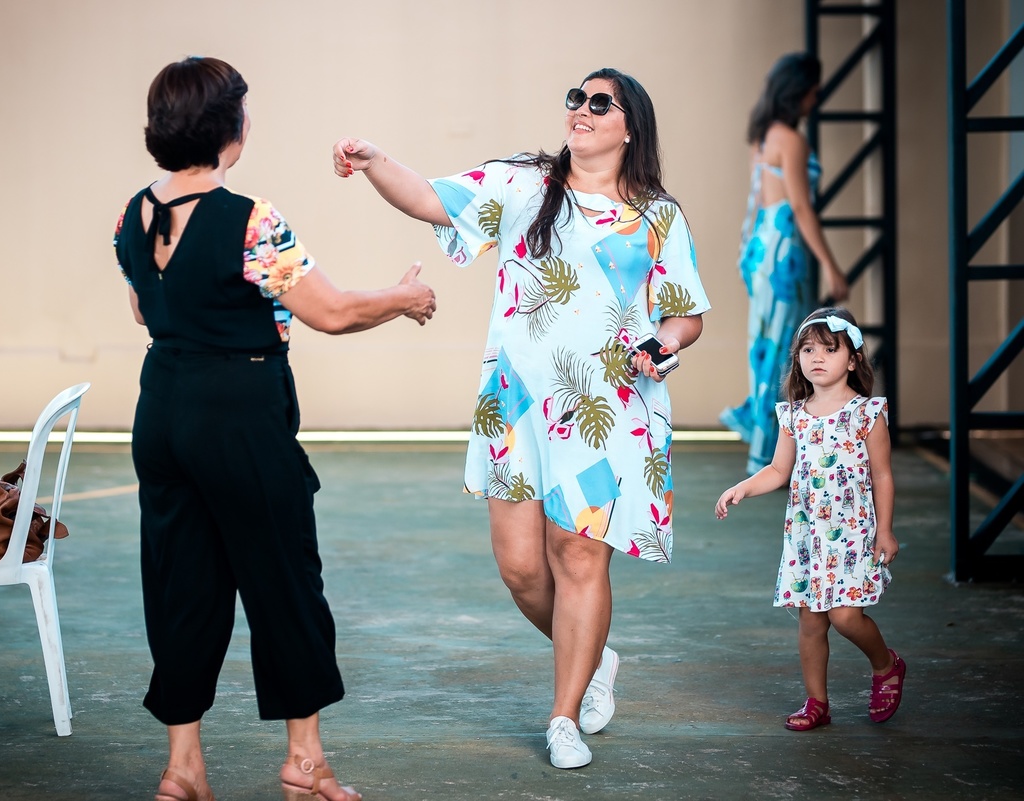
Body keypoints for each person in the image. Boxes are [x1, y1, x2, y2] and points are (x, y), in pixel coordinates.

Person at [332, 68, 710, 769]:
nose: (583, 111)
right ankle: (595, 656)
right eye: (577, 99)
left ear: (631, 127)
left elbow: (684, 314)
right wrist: (374, 158)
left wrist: (666, 342)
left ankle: (562, 716)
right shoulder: (522, 184)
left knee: (578, 555)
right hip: (515, 406)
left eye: (601, 103)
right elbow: (429, 199)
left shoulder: (659, 215)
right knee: (519, 569)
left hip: (608, 409)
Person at [114, 56, 436, 801]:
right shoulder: (250, 217)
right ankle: (304, 761)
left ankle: (183, 769)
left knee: (181, 583)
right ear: (230, 128)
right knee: (282, 577)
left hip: (161, 407)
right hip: (240, 412)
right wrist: (402, 295)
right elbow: (331, 312)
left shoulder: (132, 214)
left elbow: (143, 307)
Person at [714, 307, 904, 731]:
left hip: (854, 531)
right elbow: (779, 470)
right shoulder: (795, 414)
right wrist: (742, 487)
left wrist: (886, 530)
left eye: (830, 349)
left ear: (852, 360)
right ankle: (817, 701)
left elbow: (882, 474)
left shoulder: (866, 413)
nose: (817, 356)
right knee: (811, 621)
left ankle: (886, 665)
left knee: (845, 616)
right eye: (808, 348)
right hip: (807, 535)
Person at [721, 52, 850, 476]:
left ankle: (766, 445)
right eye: (814, 90)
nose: (817, 98)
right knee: (783, 349)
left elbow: (760, 202)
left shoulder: (765, 137)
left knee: (770, 346)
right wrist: (831, 266)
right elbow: (799, 206)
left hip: (762, 246)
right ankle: (770, 453)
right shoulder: (791, 140)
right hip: (782, 250)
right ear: (800, 92)